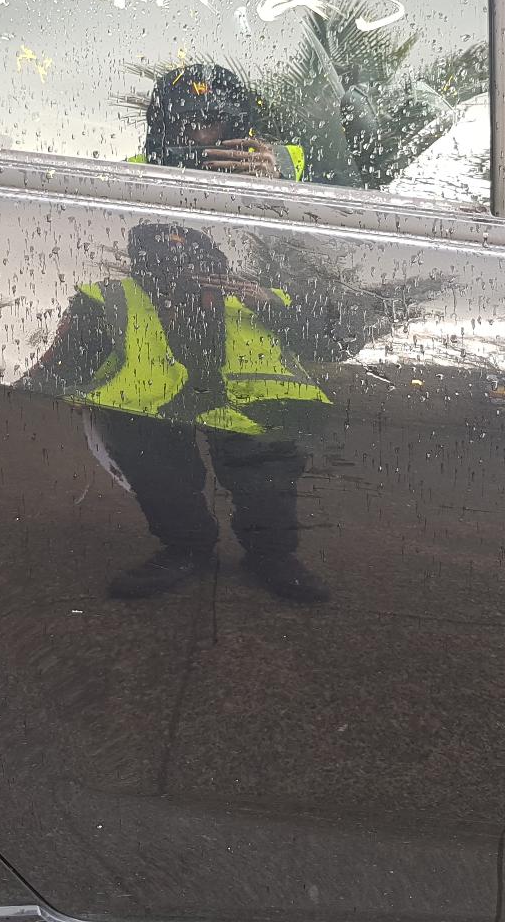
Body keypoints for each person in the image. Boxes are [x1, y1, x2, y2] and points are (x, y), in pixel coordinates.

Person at [24, 222, 336, 603]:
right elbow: (67, 360)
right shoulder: (108, 296)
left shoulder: (255, 296)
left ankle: (271, 555)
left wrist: (268, 305)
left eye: (199, 263)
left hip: (251, 404)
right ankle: (186, 549)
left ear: (219, 265)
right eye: (165, 263)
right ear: (141, 265)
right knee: (155, 467)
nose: (183, 273)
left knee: (265, 472)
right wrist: (63, 388)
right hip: (148, 406)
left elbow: (329, 345)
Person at [129, 63, 308, 181]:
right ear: (164, 127)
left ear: (234, 126)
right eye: (188, 122)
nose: (201, 135)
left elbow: (320, 224)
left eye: (212, 122)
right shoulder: (128, 172)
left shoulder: (289, 163)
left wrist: (275, 184)